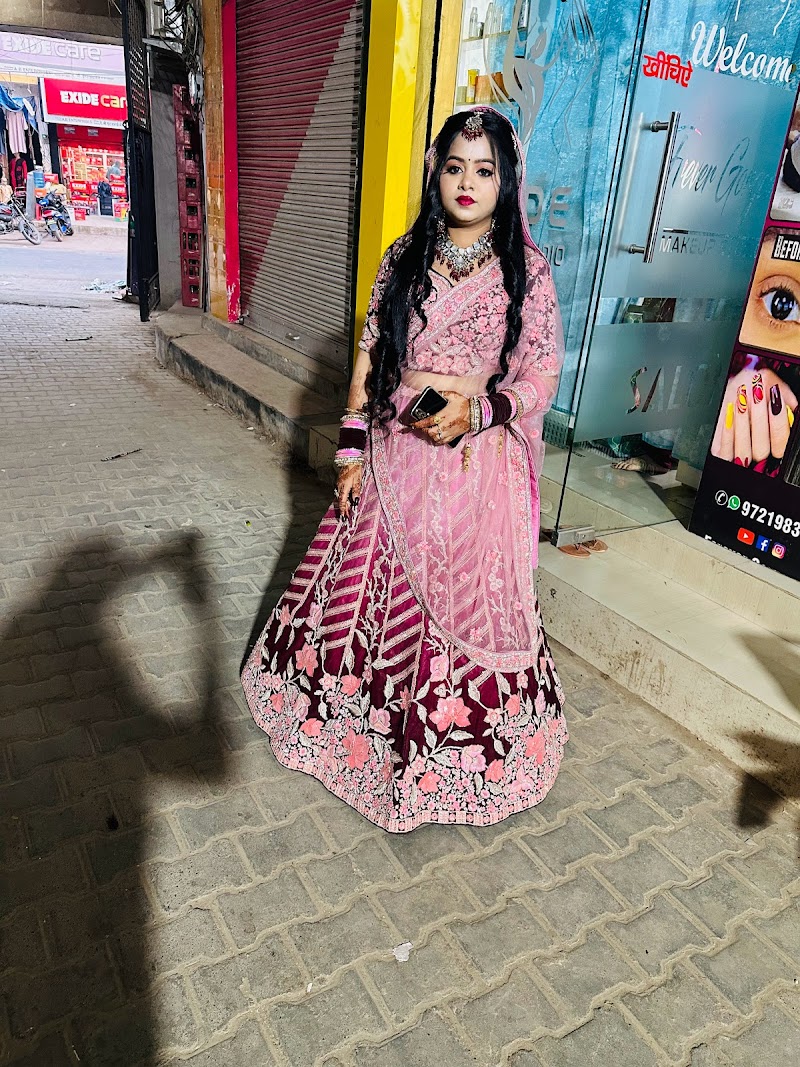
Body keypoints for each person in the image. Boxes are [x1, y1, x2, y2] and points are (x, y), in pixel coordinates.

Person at [241, 106, 568, 832]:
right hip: (397, 456)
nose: (466, 183)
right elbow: (369, 357)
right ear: (435, 173)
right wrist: (350, 451)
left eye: (484, 170)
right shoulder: (404, 257)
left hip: (477, 467)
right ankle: (361, 729)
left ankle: (451, 749)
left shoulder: (528, 272)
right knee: (368, 591)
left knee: (464, 602)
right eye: (454, 167)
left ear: (507, 181)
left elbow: (542, 372)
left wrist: (481, 411)